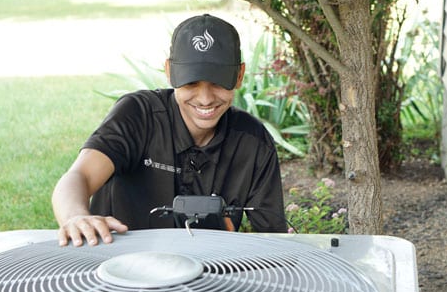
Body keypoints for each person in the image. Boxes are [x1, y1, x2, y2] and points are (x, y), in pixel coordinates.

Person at [52, 14, 287, 247]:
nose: (205, 99)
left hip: (211, 275)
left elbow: (273, 240)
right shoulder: (138, 115)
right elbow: (79, 176)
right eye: (191, 83)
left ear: (239, 75)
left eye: (217, 82)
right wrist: (75, 216)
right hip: (119, 266)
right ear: (169, 71)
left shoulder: (253, 141)